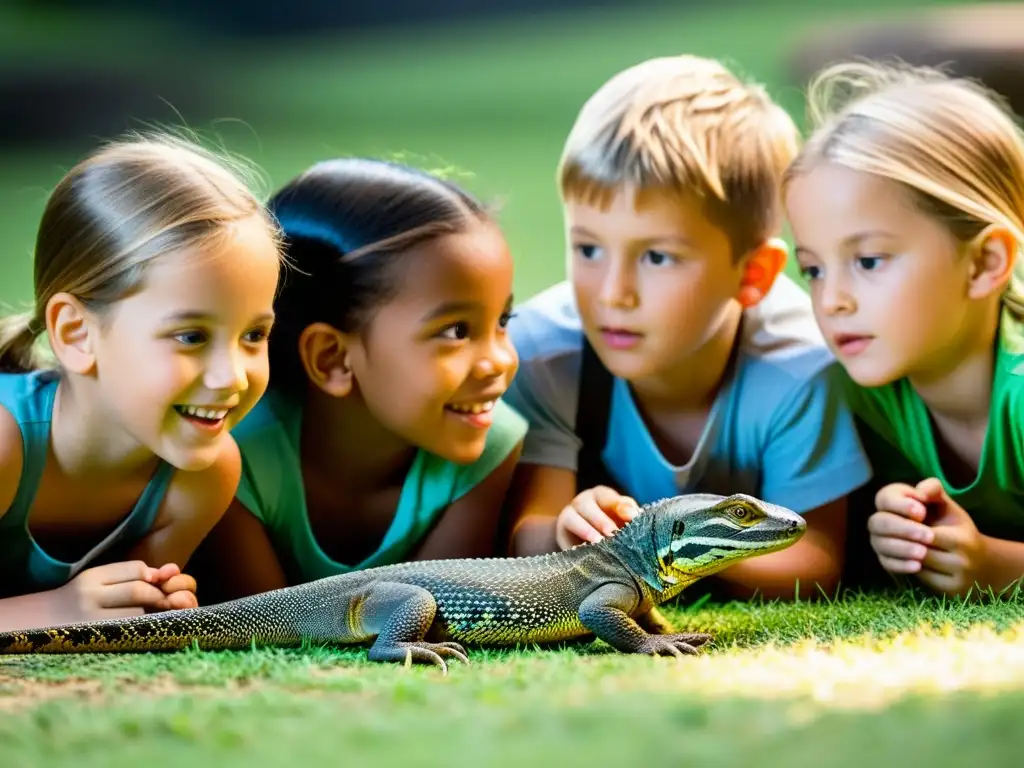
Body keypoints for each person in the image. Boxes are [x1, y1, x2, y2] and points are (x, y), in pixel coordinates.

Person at [503, 54, 872, 600]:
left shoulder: (798, 370)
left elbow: (814, 556)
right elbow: (527, 536)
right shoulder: (544, 353)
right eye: (588, 248)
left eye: (657, 257)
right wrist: (565, 529)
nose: (612, 293)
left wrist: (676, 552)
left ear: (751, 275)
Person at [191, 158, 527, 602]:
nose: (499, 361)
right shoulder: (237, 458)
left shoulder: (491, 443)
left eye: (503, 321)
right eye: (456, 331)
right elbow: (264, 625)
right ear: (333, 358)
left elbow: (439, 612)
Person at [0, 135, 283, 631]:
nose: (232, 376)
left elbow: (124, 624)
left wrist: (151, 603)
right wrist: (55, 610)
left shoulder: (199, 476)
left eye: (254, 335)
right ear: (77, 333)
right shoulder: (5, 446)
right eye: (192, 336)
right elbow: (73, 619)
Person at [783, 60, 1024, 598]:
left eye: (868, 261)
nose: (833, 300)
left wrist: (996, 566)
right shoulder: (845, 397)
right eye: (814, 269)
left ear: (984, 262)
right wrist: (902, 536)